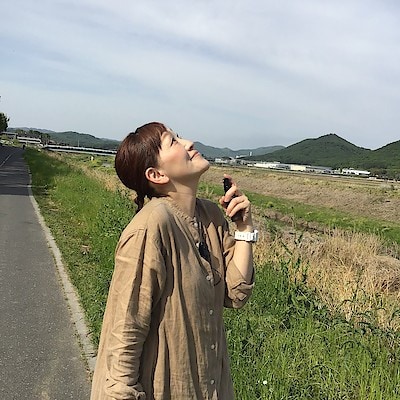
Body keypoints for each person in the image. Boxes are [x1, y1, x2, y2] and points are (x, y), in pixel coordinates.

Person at [90, 122, 257, 399]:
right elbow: (126, 330)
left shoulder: (211, 217)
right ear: (156, 174)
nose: (189, 143)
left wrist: (244, 229)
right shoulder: (151, 226)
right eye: (173, 141)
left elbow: (236, 293)